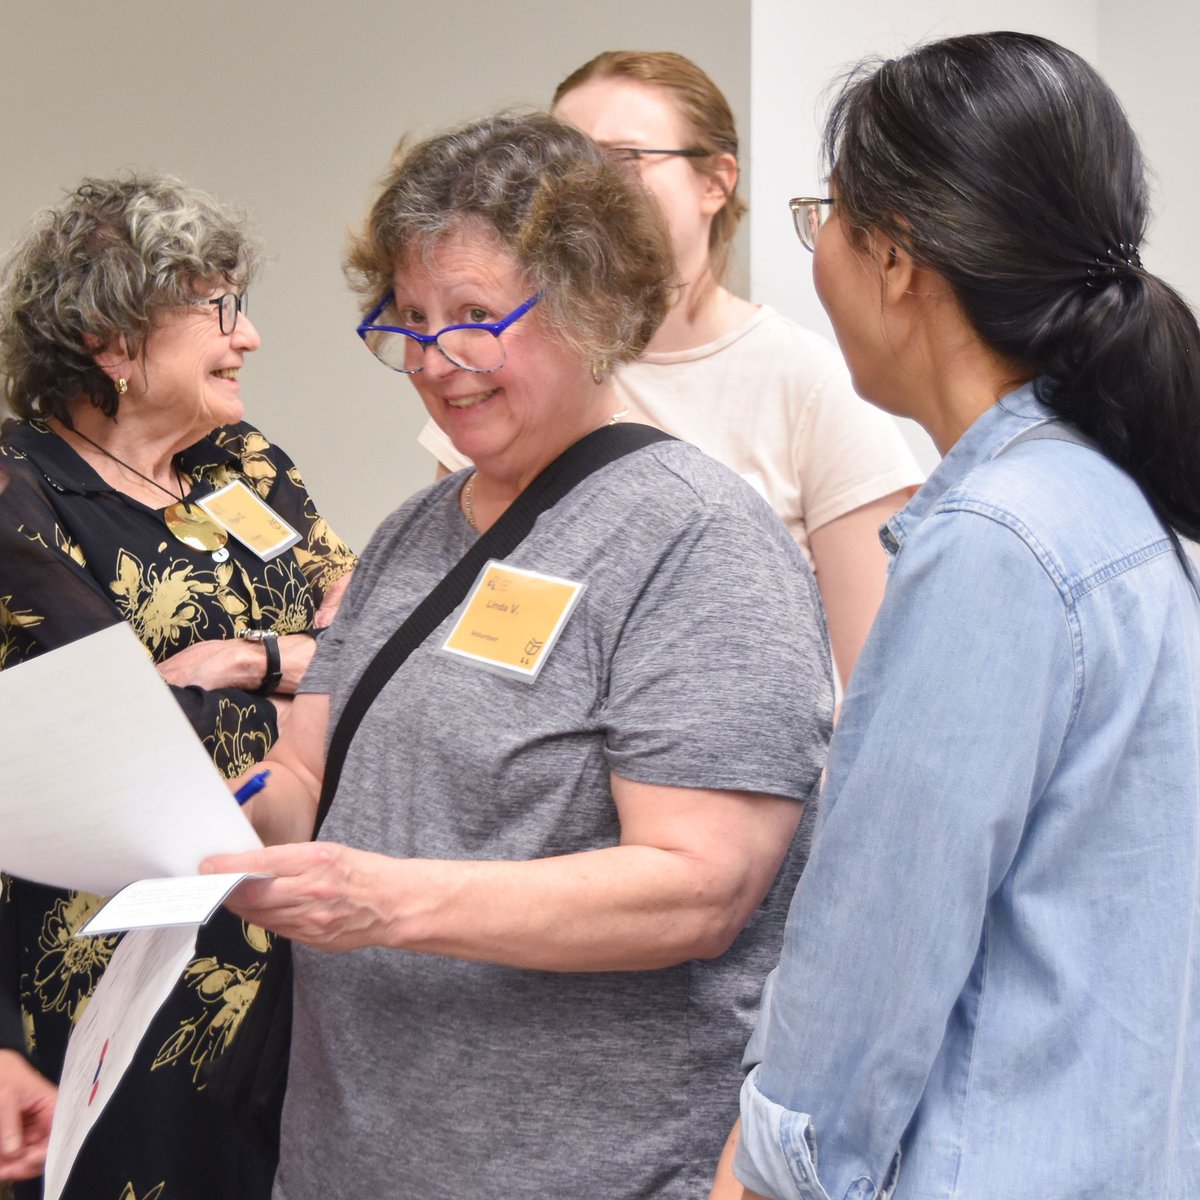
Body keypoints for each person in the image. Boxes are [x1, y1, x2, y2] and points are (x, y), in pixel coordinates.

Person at [200, 111, 833, 1200]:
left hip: (580, 1167)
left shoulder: (694, 541)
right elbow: (306, 779)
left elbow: (698, 890)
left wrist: (387, 902)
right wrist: (211, 823)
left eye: (477, 318)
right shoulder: (413, 531)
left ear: (589, 303)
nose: (438, 363)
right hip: (350, 1156)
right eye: (410, 322)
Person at [731, 32, 1200, 1200]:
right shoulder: (1101, 495)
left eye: (825, 220)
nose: (821, 258)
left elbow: (872, 957)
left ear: (896, 261)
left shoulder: (996, 538)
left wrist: (768, 1172)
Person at [0, 174, 355, 1199]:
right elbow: (127, 736)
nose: (248, 339)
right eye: (219, 309)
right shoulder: (20, 496)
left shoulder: (247, 463)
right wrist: (304, 694)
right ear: (114, 340)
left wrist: (250, 663)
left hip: (299, 937)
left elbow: (381, 649)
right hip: (116, 968)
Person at [418, 50, 923, 686]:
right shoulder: (497, 369)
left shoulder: (813, 386)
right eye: (564, 163)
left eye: (623, 158)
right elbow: (443, 612)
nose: (584, 190)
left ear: (716, 181)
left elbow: (871, 682)